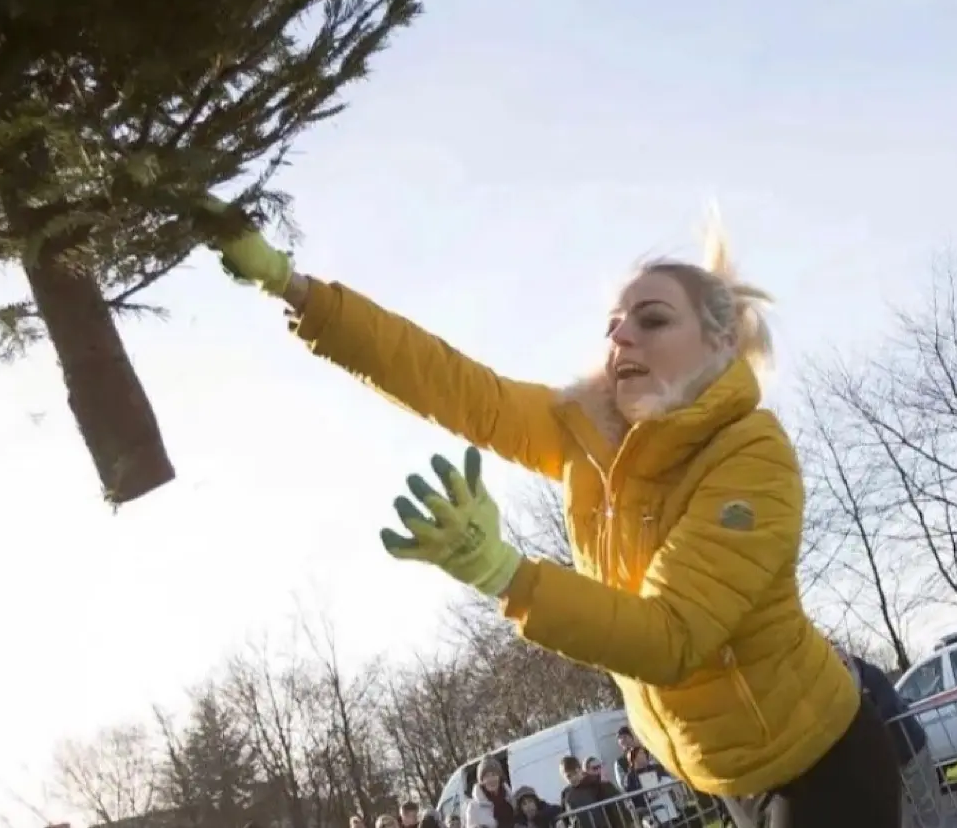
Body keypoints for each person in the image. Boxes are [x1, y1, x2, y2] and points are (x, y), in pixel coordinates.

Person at [213, 215, 896, 828]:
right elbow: (454, 386)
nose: (621, 334)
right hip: (726, 772)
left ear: (719, 340)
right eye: (613, 324)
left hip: (823, 761)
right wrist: (295, 288)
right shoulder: (587, 439)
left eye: (652, 320)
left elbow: (672, 636)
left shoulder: (751, 455)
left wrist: (506, 575)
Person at [835, 647, 936, 828]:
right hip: (886, 762)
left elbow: (888, 707)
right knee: (899, 815)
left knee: (928, 808)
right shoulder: (843, 688)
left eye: (842, 665)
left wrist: (863, 729)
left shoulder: (870, 675)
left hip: (910, 749)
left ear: (848, 661)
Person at [560, 754, 632, 828]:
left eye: (575, 772)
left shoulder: (597, 783)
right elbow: (566, 819)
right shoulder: (566, 794)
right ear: (563, 777)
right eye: (569, 776)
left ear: (580, 769)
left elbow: (616, 808)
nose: (573, 778)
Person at [465, 757, 515, 828]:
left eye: (494, 775)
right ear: (481, 781)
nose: (491, 779)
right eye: (486, 776)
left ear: (499, 777)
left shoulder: (510, 797)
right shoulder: (473, 807)